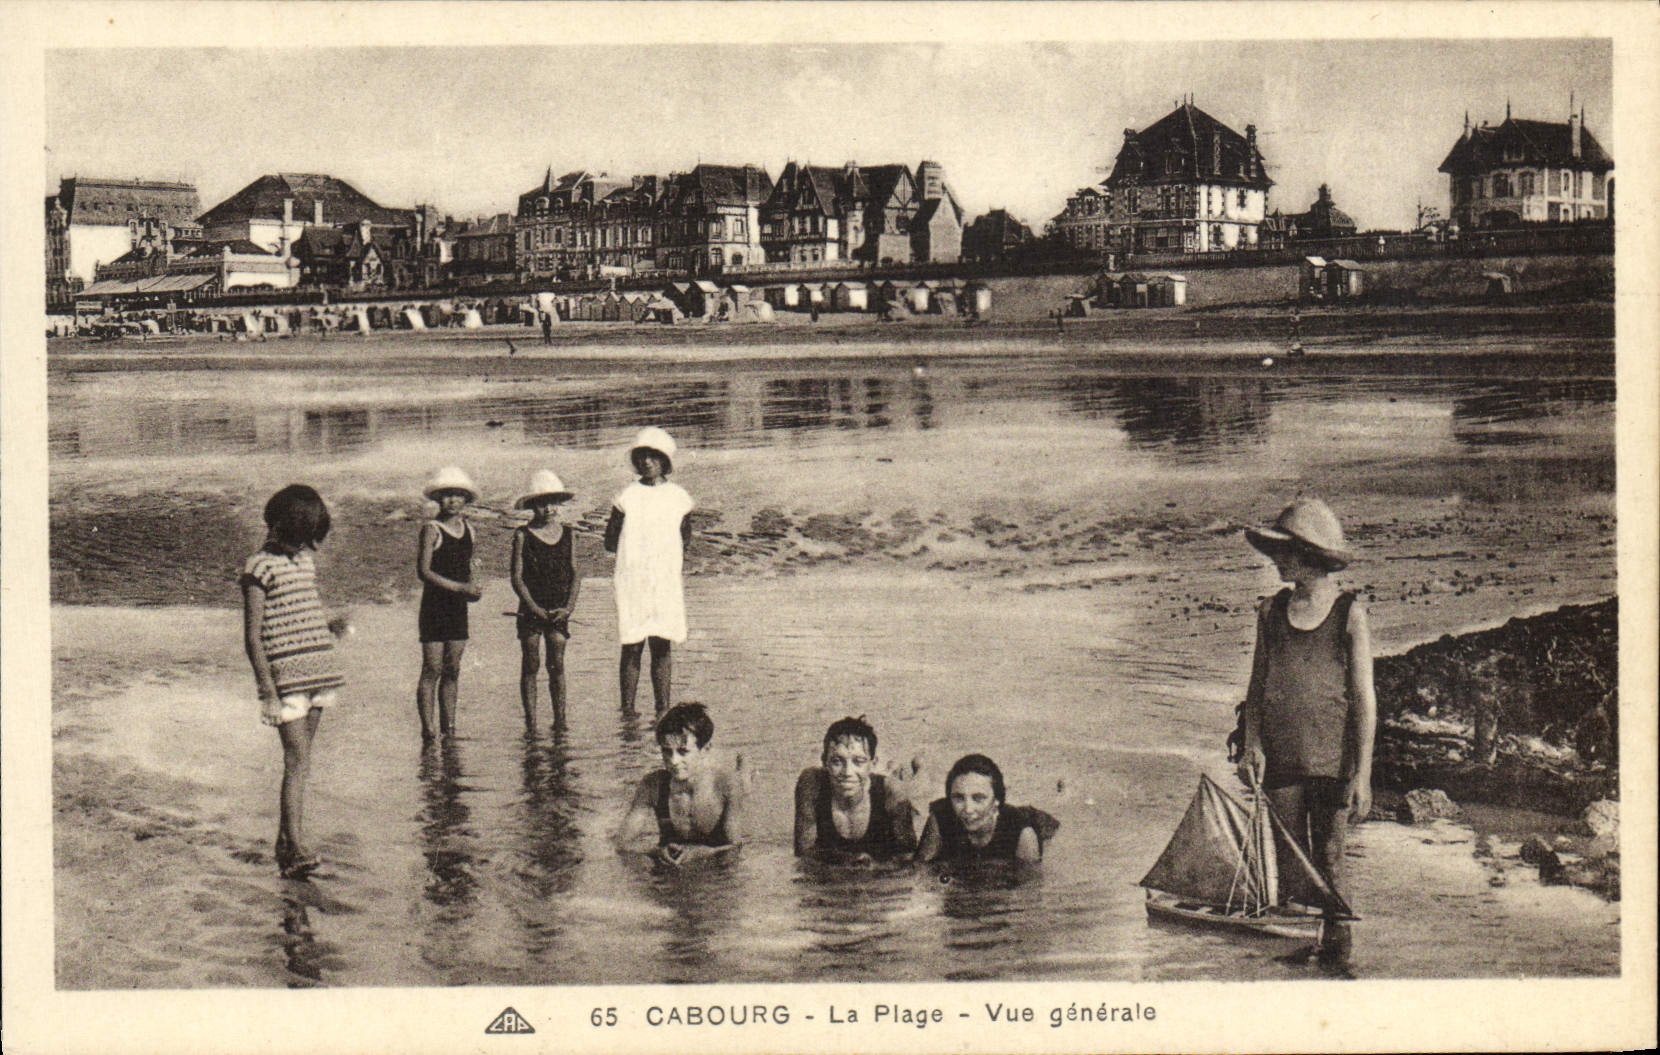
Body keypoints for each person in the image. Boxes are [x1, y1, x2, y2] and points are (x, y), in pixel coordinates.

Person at [1236, 496, 1376, 971]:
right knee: (1291, 865)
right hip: (1282, 760)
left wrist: (1364, 776)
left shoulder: (1349, 613)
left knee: (1331, 861)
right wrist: (1252, 744)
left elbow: (1364, 701)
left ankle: (1338, 961)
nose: (1276, 560)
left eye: (1284, 552)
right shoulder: (1270, 612)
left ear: (1311, 557)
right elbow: (1256, 689)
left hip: (1333, 764)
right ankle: (1299, 965)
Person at [241, 485, 347, 878]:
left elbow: (302, 611)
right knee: (297, 761)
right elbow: (253, 637)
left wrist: (330, 625)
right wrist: (267, 693)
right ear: (285, 526)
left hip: (318, 669)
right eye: (305, 535)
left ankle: (285, 844)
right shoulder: (257, 568)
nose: (309, 545)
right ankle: (295, 845)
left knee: (302, 762)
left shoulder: (304, 563)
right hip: (286, 681)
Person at [604, 427, 694, 716]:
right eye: (642, 457)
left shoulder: (679, 497)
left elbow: (685, 539)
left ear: (665, 462)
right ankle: (627, 710)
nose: (647, 462)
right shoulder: (626, 495)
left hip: (664, 581)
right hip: (633, 580)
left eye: (653, 457)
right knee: (632, 644)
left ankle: (662, 710)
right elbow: (610, 540)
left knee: (662, 644)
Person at [616, 703, 744, 865]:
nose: (674, 761)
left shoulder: (726, 785)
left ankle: (744, 767)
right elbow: (622, 844)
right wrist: (655, 850)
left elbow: (735, 846)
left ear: (705, 749)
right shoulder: (652, 786)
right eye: (666, 751)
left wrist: (703, 853)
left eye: (683, 752)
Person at [416, 466, 483, 742]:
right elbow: (424, 571)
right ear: (437, 499)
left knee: (453, 667)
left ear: (466, 500)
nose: (452, 501)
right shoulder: (432, 528)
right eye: (446, 496)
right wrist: (459, 587)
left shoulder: (470, 529)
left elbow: (470, 567)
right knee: (432, 668)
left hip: (458, 608)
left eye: (458, 496)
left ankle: (450, 726)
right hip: (434, 606)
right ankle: (429, 729)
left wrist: (474, 586)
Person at [793, 716, 918, 864]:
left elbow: (907, 857)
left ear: (873, 763)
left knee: (906, 786)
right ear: (824, 761)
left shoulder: (893, 792)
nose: (847, 772)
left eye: (858, 762)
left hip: (887, 792)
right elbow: (803, 853)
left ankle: (908, 769)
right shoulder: (812, 783)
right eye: (837, 761)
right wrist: (851, 860)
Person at [510, 470, 580, 732]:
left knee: (557, 664)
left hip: (559, 609)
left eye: (552, 502)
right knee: (531, 663)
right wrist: (534, 608)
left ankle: (560, 720)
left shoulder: (569, 533)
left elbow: (576, 574)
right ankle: (531, 722)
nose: (548, 508)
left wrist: (569, 607)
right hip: (531, 607)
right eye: (541, 503)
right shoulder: (522, 535)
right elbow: (517, 578)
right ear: (531, 506)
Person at [917, 754, 1056, 866]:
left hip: (1039, 823)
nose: (968, 809)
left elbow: (1029, 890)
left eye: (978, 798)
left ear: (997, 801)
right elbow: (919, 869)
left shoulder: (1022, 833)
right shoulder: (941, 817)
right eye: (958, 798)